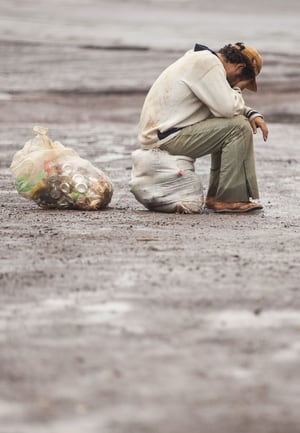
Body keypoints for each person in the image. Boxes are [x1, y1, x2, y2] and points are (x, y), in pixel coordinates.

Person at [137, 42, 269, 213]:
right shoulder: (209, 64)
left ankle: (216, 197)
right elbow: (227, 108)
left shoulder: (202, 60)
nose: (236, 87)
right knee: (238, 127)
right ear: (239, 68)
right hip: (166, 138)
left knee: (231, 123)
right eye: (243, 82)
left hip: (161, 135)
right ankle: (228, 198)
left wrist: (250, 112)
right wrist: (237, 89)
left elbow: (220, 101)